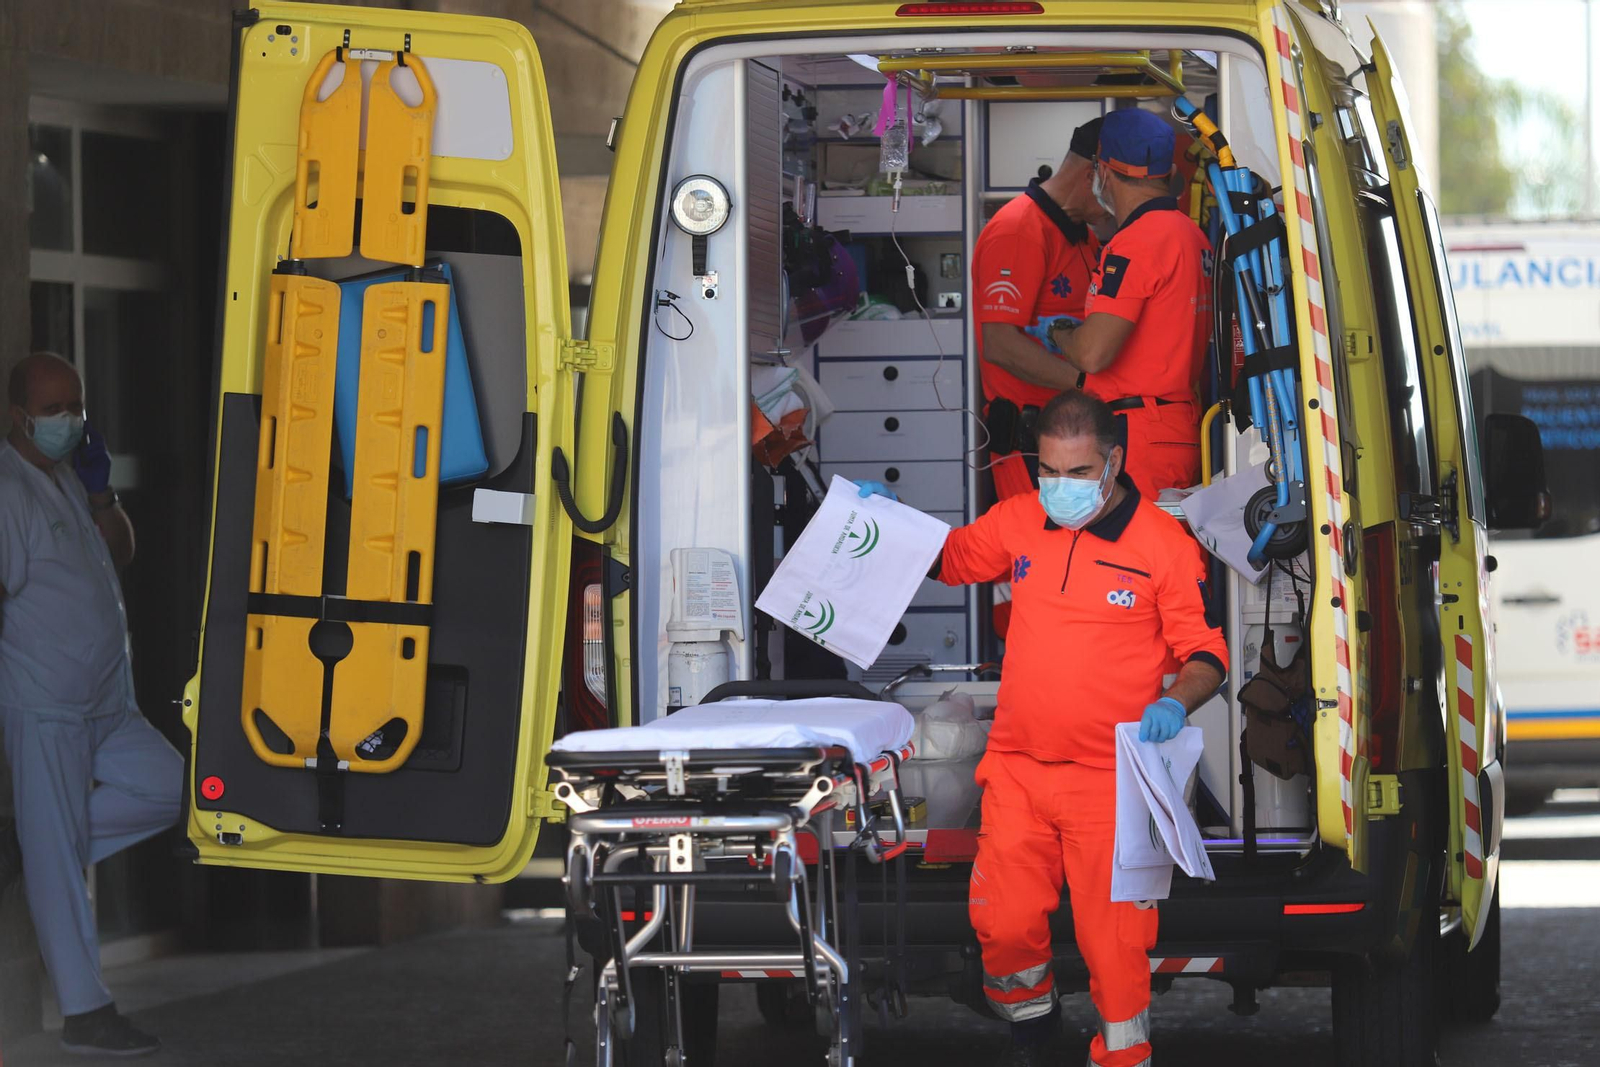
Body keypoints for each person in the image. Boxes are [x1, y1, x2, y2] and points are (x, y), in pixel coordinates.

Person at [923, 390, 1226, 1067]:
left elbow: (1207, 652)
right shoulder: (1021, 519)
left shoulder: (1161, 545)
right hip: (1019, 768)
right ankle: (1033, 1027)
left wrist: (1177, 698)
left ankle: (1123, 1056)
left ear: (1113, 462)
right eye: (1049, 472)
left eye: (1078, 472)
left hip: (1111, 781)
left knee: (1116, 948)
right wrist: (869, 522)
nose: (1060, 488)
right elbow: (950, 558)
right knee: (1002, 924)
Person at [1, 352, 182, 1057]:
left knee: (175, 788)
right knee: (58, 867)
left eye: (75, 406)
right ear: (20, 416)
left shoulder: (72, 479)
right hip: (46, 704)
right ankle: (86, 1011)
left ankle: (31, 844)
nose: (69, 420)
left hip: (108, 701)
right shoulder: (10, 490)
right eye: (54, 410)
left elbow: (124, 552)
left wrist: (104, 495)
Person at [1045, 107, 1214, 499]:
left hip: (1141, 433)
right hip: (1177, 423)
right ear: (1166, 173)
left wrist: (1060, 333)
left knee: (1136, 554)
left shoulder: (1137, 241)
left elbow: (1092, 354)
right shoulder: (1191, 235)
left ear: (1102, 171)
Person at [972, 117, 1113, 503]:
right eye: (1116, 183)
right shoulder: (1019, 230)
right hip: (1032, 446)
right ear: (1092, 174)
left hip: (1070, 437)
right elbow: (999, 344)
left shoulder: (1080, 235)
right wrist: (1091, 386)